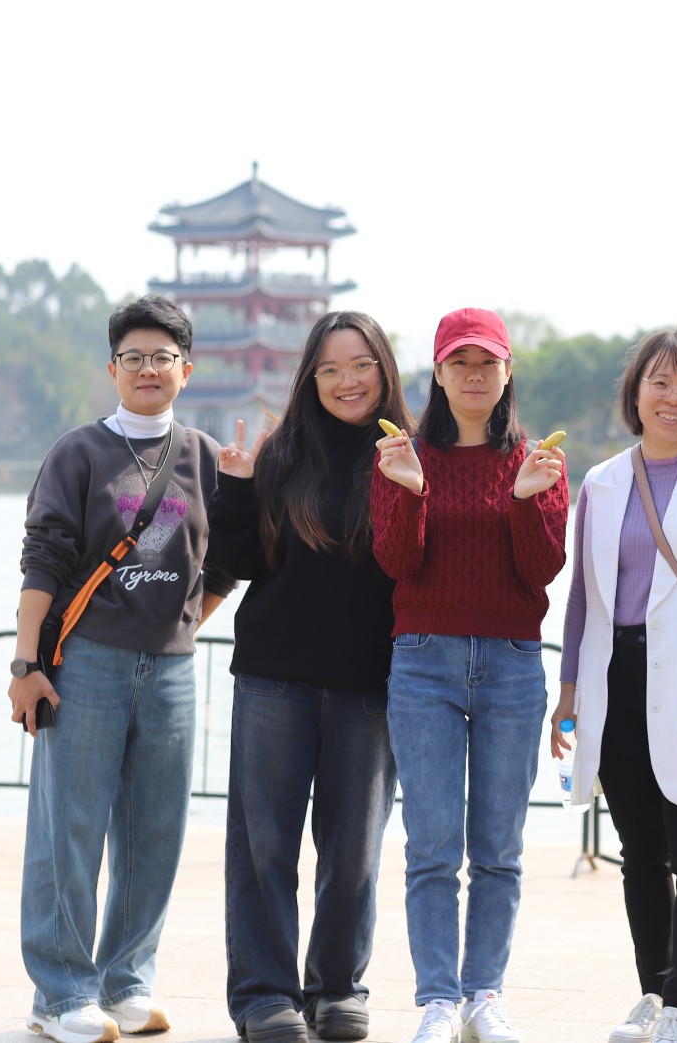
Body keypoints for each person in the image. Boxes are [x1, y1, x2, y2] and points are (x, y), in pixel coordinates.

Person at [7, 294, 235, 1043]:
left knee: (154, 832)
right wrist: (25, 662)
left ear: (185, 370)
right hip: (86, 662)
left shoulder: (204, 457)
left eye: (161, 357)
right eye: (132, 357)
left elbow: (225, 564)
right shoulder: (79, 452)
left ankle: (126, 981)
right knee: (67, 832)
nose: (147, 369)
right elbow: (43, 559)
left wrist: (182, 628)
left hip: (170, 669)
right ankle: (60, 993)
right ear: (112, 369)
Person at [207, 312, 411, 1043]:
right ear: (310, 379)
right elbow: (241, 563)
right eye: (329, 370)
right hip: (275, 678)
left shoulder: (408, 455)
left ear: (384, 369)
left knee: (353, 851)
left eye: (360, 366)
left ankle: (337, 988)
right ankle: (264, 995)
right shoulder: (283, 453)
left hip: (370, 683)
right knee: (264, 845)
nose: (346, 381)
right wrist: (236, 488)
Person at [550, 327, 677, 1043]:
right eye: (660, 383)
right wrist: (568, 691)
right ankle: (651, 990)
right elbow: (582, 595)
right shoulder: (602, 482)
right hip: (614, 679)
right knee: (639, 852)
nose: (673, 398)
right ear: (635, 393)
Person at [371, 307, 569, 1043]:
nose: (474, 375)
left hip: (513, 663)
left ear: (508, 371)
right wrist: (411, 490)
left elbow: (542, 569)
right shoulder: (403, 454)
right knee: (431, 846)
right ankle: (437, 999)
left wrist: (524, 500)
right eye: (460, 362)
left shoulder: (538, 461)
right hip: (423, 661)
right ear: (438, 373)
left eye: (488, 362)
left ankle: (485, 994)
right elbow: (396, 562)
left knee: (498, 849)